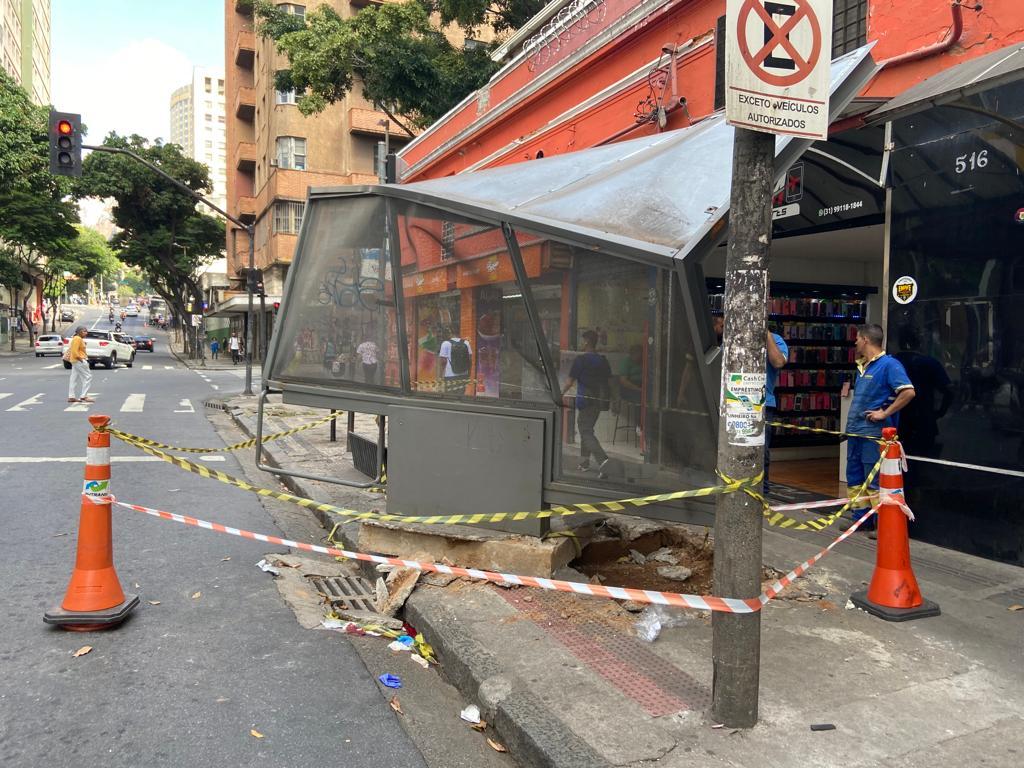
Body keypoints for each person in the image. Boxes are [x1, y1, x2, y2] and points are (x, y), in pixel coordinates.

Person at [844, 323, 916, 531]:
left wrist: (884, 413)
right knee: (855, 479)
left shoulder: (889, 365)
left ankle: (881, 526)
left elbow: (908, 392)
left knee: (874, 480)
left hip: (874, 435)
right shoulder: (863, 366)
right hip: (856, 432)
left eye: (857, 338)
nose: (855, 342)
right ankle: (861, 520)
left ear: (866, 339)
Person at [893, 325, 953, 457]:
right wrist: (940, 412)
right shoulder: (929, 363)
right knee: (924, 461)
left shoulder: (891, 362)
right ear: (919, 342)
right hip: (924, 418)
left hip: (898, 419)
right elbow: (949, 390)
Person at [561, 330, 612, 473]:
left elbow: (570, 381)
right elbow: (609, 381)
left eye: (582, 340)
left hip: (585, 401)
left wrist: (560, 393)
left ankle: (604, 461)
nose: (580, 343)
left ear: (586, 342)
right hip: (599, 401)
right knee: (587, 429)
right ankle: (584, 463)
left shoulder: (581, 360)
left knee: (585, 431)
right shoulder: (603, 360)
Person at [438, 328, 472, 394]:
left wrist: (440, 376)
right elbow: (470, 360)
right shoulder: (466, 343)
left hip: (450, 376)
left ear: (450, 332)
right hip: (463, 375)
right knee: (461, 397)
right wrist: (469, 374)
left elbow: (443, 362)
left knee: (450, 397)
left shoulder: (446, 343)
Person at [66, 326, 94, 404]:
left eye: (86, 331)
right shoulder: (77, 339)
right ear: (79, 332)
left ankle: (71, 397)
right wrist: (81, 360)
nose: (86, 333)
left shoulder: (77, 339)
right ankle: (83, 396)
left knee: (73, 378)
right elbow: (75, 351)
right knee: (88, 376)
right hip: (79, 360)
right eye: (84, 331)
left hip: (75, 360)